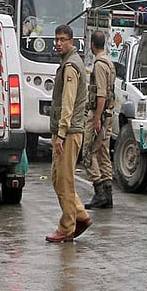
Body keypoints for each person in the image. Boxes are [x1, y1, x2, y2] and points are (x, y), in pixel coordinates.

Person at [45, 24, 93, 242]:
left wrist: (61, 134)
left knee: (64, 181)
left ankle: (67, 227)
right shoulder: (67, 63)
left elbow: (68, 102)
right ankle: (80, 215)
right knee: (57, 178)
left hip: (69, 131)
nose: (58, 43)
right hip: (66, 130)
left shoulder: (71, 66)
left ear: (71, 42)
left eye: (63, 39)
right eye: (57, 39)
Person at [83, 30, 115, 209]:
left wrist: (96, 118)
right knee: (103, 153)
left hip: (100, 113)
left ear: (92, 45)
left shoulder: (99, 65)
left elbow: (101, 94)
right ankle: (108, 192)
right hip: (108, 114)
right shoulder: (109, 63)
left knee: (88, 152)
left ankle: (99, 191)